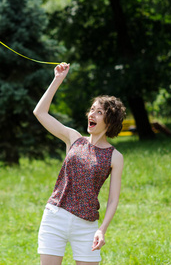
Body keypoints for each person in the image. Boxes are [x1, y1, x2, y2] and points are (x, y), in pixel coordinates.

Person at [33, 62, 126, 265]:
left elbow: (113, 200)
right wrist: (57, 79)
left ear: (109, 121)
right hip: (56, 216)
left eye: (99, 112)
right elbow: (40, 113)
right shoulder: (74, 138)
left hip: (87, 225)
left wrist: (102, 230)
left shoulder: (114, 156)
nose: (91, 114)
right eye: (91, 110)